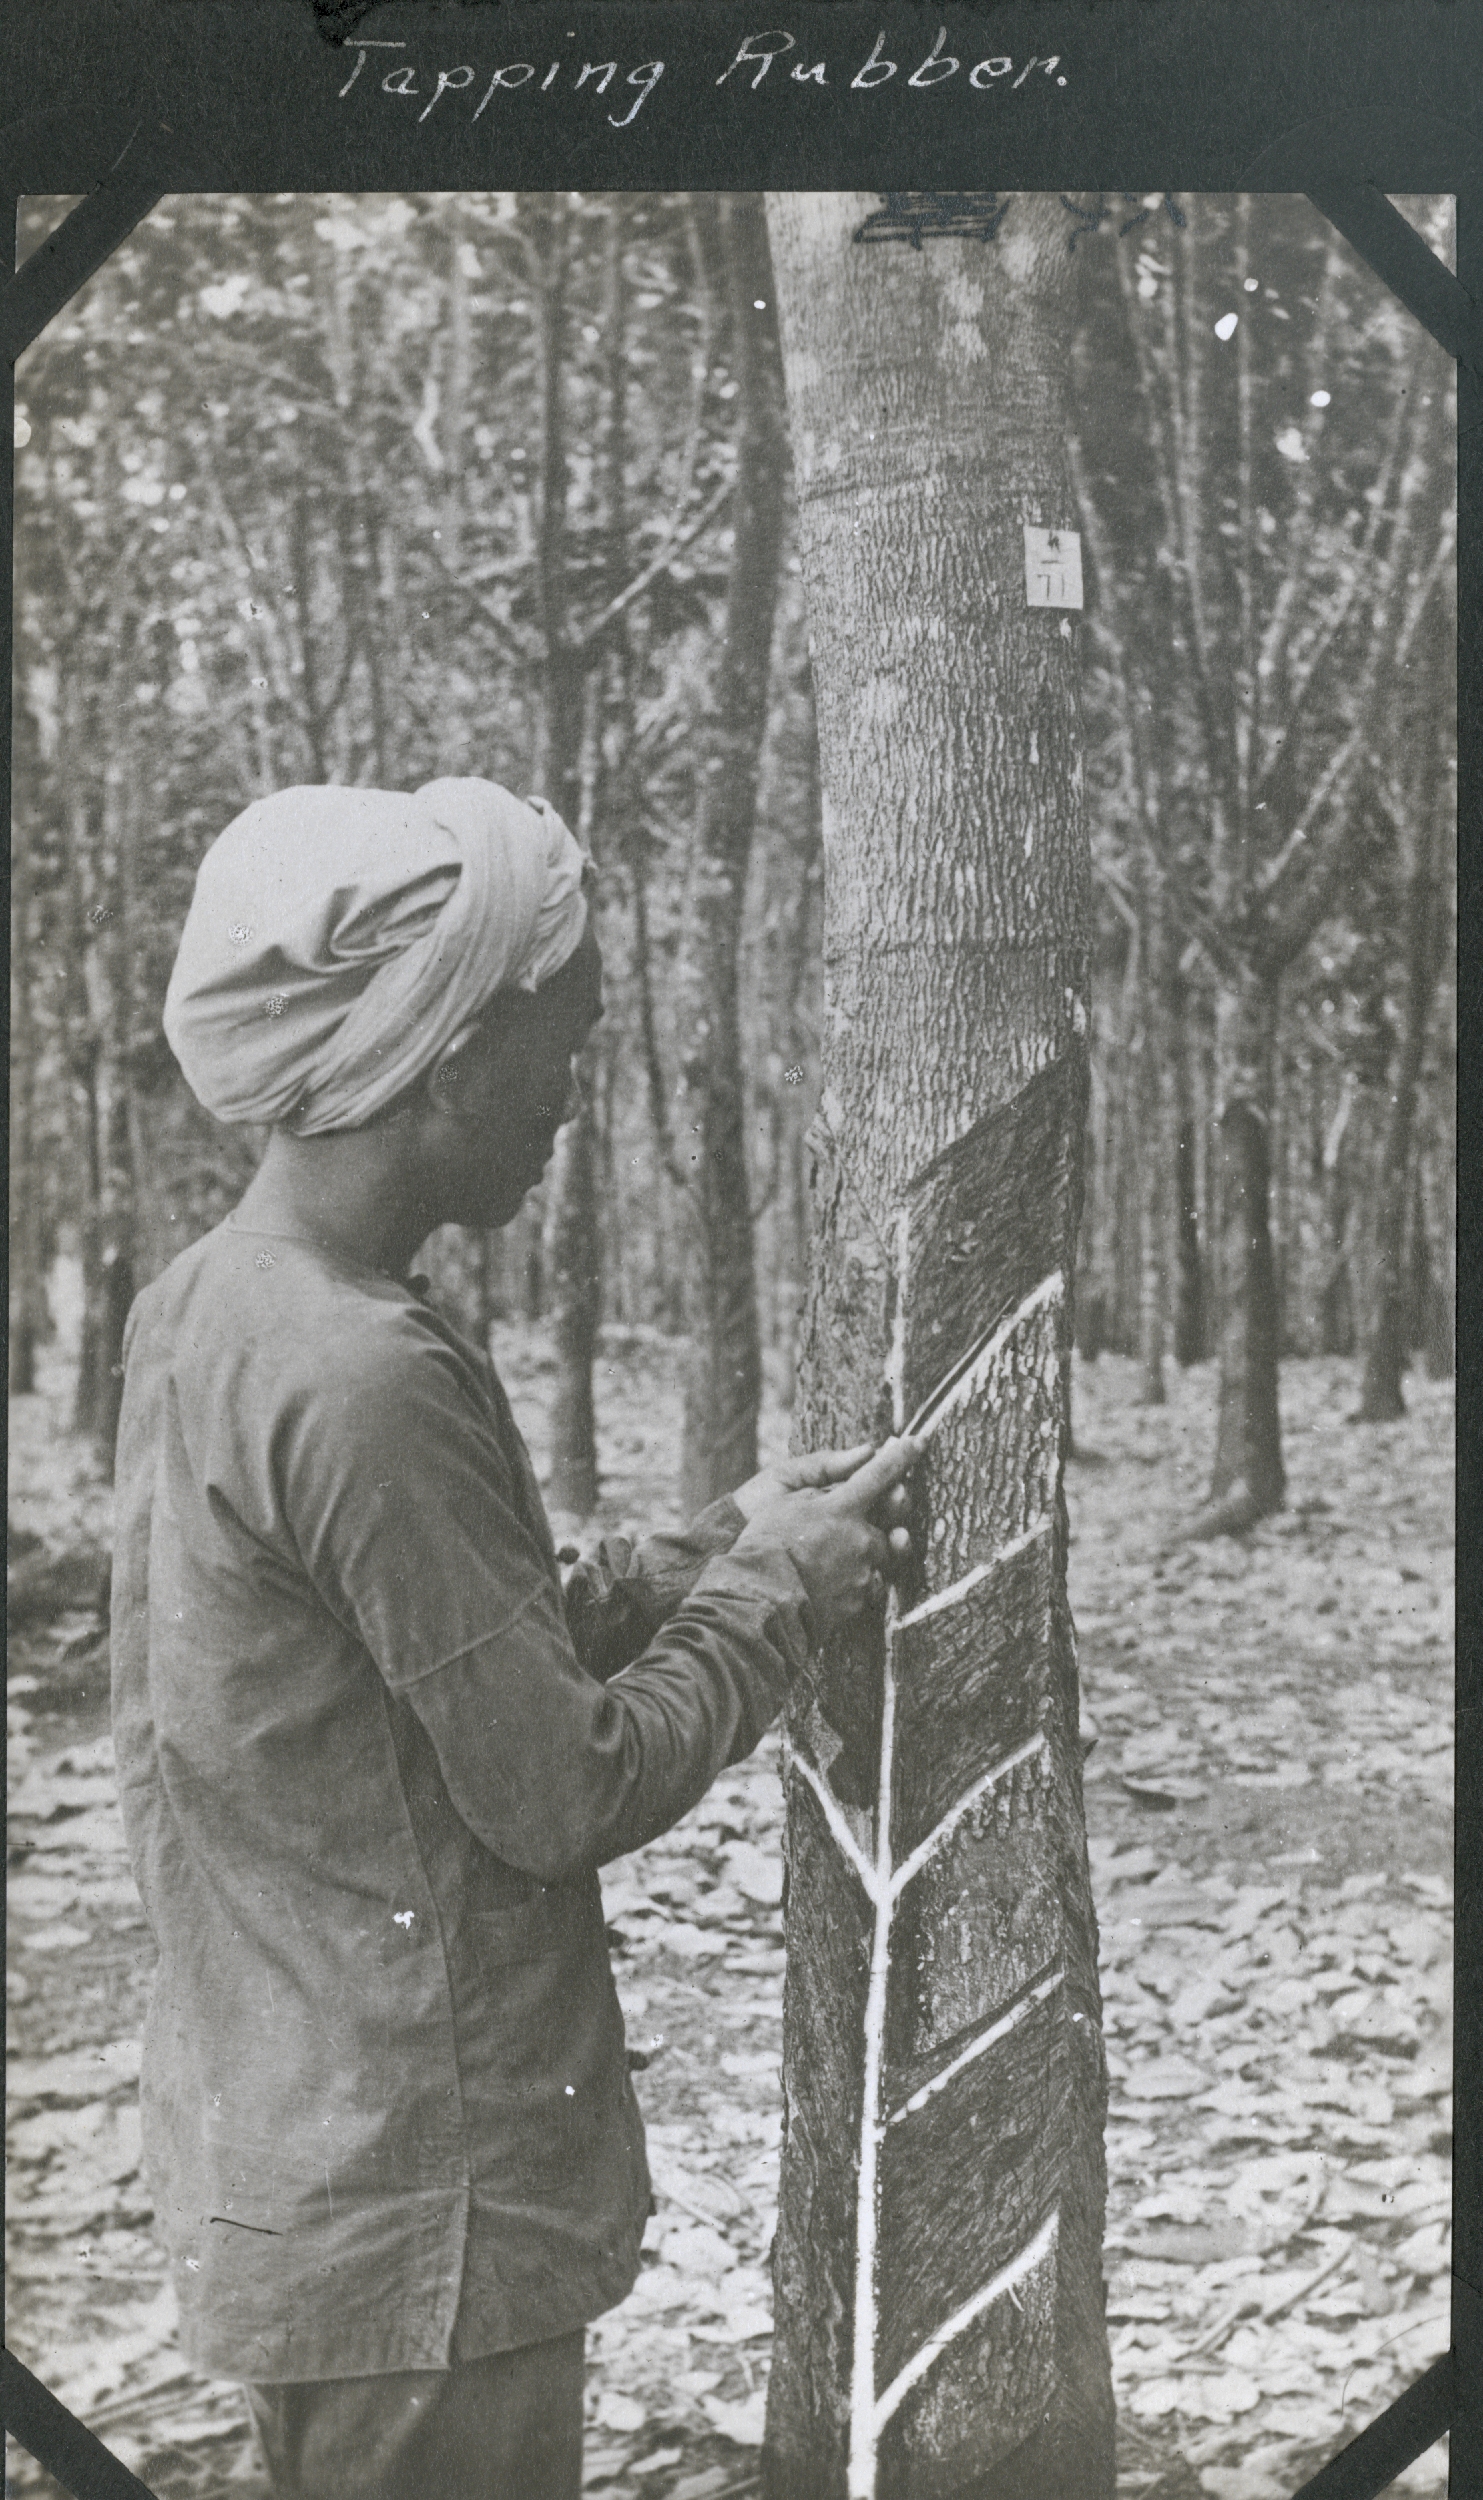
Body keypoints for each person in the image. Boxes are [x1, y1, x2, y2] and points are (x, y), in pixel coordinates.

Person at [111, 777, 919, 2500]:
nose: (574, 1097)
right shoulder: (364, 1370)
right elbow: (559, 1788)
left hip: (293, 2150)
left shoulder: (215, 1306)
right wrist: (778, 1597)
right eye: (566, 1043)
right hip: (422, 2211)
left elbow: (397, 1666)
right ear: (454, 1050)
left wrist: (710, 1545)